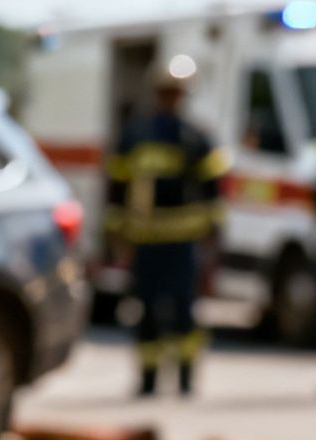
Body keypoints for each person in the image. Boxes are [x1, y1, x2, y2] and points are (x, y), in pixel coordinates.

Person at [107, 58, 229, 399]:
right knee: (145, 310)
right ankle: (147, 380)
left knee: (183, 311)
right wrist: (116, 231)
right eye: (165, 92)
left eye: (175, 93)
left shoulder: (197, 137)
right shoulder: (134, 135)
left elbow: (213, 192)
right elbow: (117, 189)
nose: (170, 99)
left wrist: (213, 234)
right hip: (145, 240)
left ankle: (186, 379)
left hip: (183, 242)